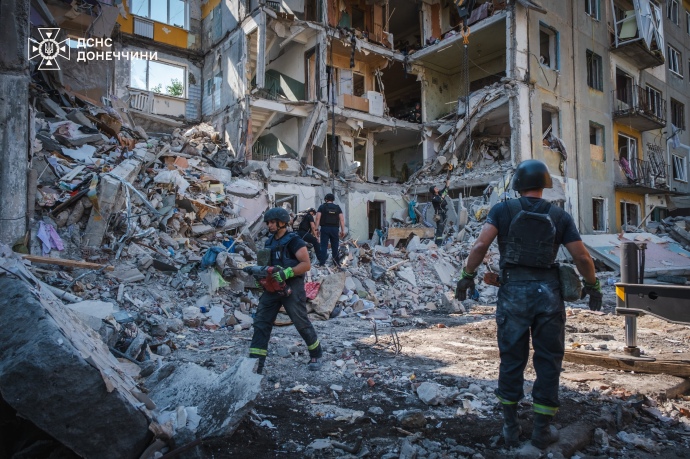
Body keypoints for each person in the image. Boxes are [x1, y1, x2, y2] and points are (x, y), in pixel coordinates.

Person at [455, 160, 602, 449]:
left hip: (513, 294)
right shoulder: (559, 216)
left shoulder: (502, 210)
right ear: (545, 184)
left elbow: (480, 245)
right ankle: (541, 430)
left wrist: (467, 276)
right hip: (549, 296)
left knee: (512, 359)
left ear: (517, 185)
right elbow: (582, 257)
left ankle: (510, 428)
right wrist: (593, 285)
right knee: (548, 360)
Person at [248, 207, 323, 374]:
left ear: (282, 223)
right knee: (261, 322)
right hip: (273, 288)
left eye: (272, 222)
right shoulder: (269, 242)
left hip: (292, 287)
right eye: (268, 222)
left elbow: (306, 264)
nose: (269, 225)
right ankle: (255, 364)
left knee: (300, 322)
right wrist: (258, 275)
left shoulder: (294, 241)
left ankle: (316, 354)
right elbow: (265, 266)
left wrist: (288, 272)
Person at [314, 193, 345, 267]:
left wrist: (316, 229)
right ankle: (336, 263)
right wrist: (342, 230)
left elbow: (317, 218)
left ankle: (322, 263)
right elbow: (342, 219)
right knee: (335, 246)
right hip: (335, 229)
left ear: (326, 199)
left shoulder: (322, 207)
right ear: (333, 200)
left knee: (323, 246)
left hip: (325, 228)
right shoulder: (337, 207)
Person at [430, 178, 450, 245]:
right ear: (433, 191)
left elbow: (445, 190)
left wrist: (447, 184)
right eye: (435, 188)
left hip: (444, 213)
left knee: (443, 227)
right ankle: (438, 243)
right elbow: (440, 200)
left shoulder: (440, 193)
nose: (437, 188)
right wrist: (443, 195)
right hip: (439, 214)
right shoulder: (434, 198)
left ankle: (441, 242)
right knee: (440, 228)